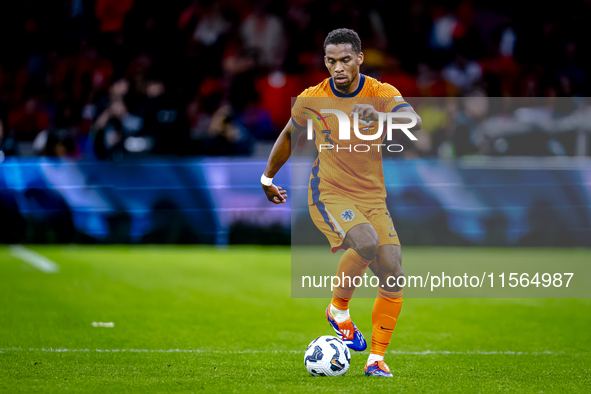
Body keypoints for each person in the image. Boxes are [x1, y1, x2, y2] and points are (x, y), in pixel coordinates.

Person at [261, 28, 421, 377]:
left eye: (345, 59)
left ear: (360, 59)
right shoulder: (312, 98)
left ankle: (376, 360)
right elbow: (290, 133)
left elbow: (414, 121)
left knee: (393, 269)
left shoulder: (380, 92)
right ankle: (338, 309)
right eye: (331, 61)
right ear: (325, 62)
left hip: (373, 197)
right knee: (365, 242)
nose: (338, 67)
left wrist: (380, 118)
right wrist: (267, 178)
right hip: (329, 192)